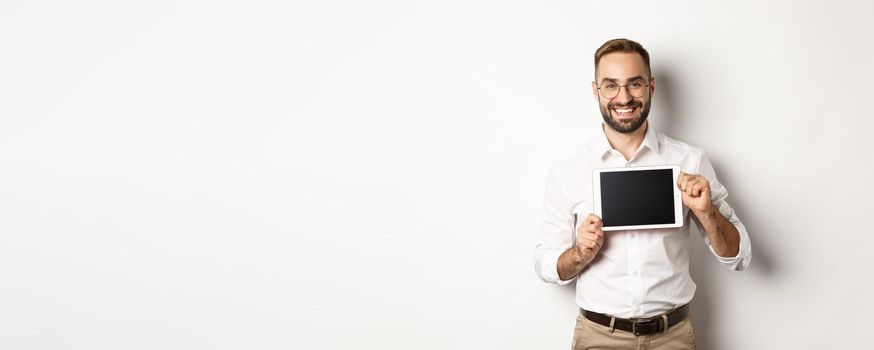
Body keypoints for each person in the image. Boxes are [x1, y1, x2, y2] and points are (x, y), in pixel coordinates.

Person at [533, 38, 752, 350]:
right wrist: (579, 254)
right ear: (596, 91)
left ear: (651, 87)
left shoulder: (690, 161)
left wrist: (707, 212)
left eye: (634, 84)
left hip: (672, 338)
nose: (624, 97)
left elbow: (739, 257)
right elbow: (544, 262)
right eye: (611, 85)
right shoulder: (568, 171)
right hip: (598, 337)